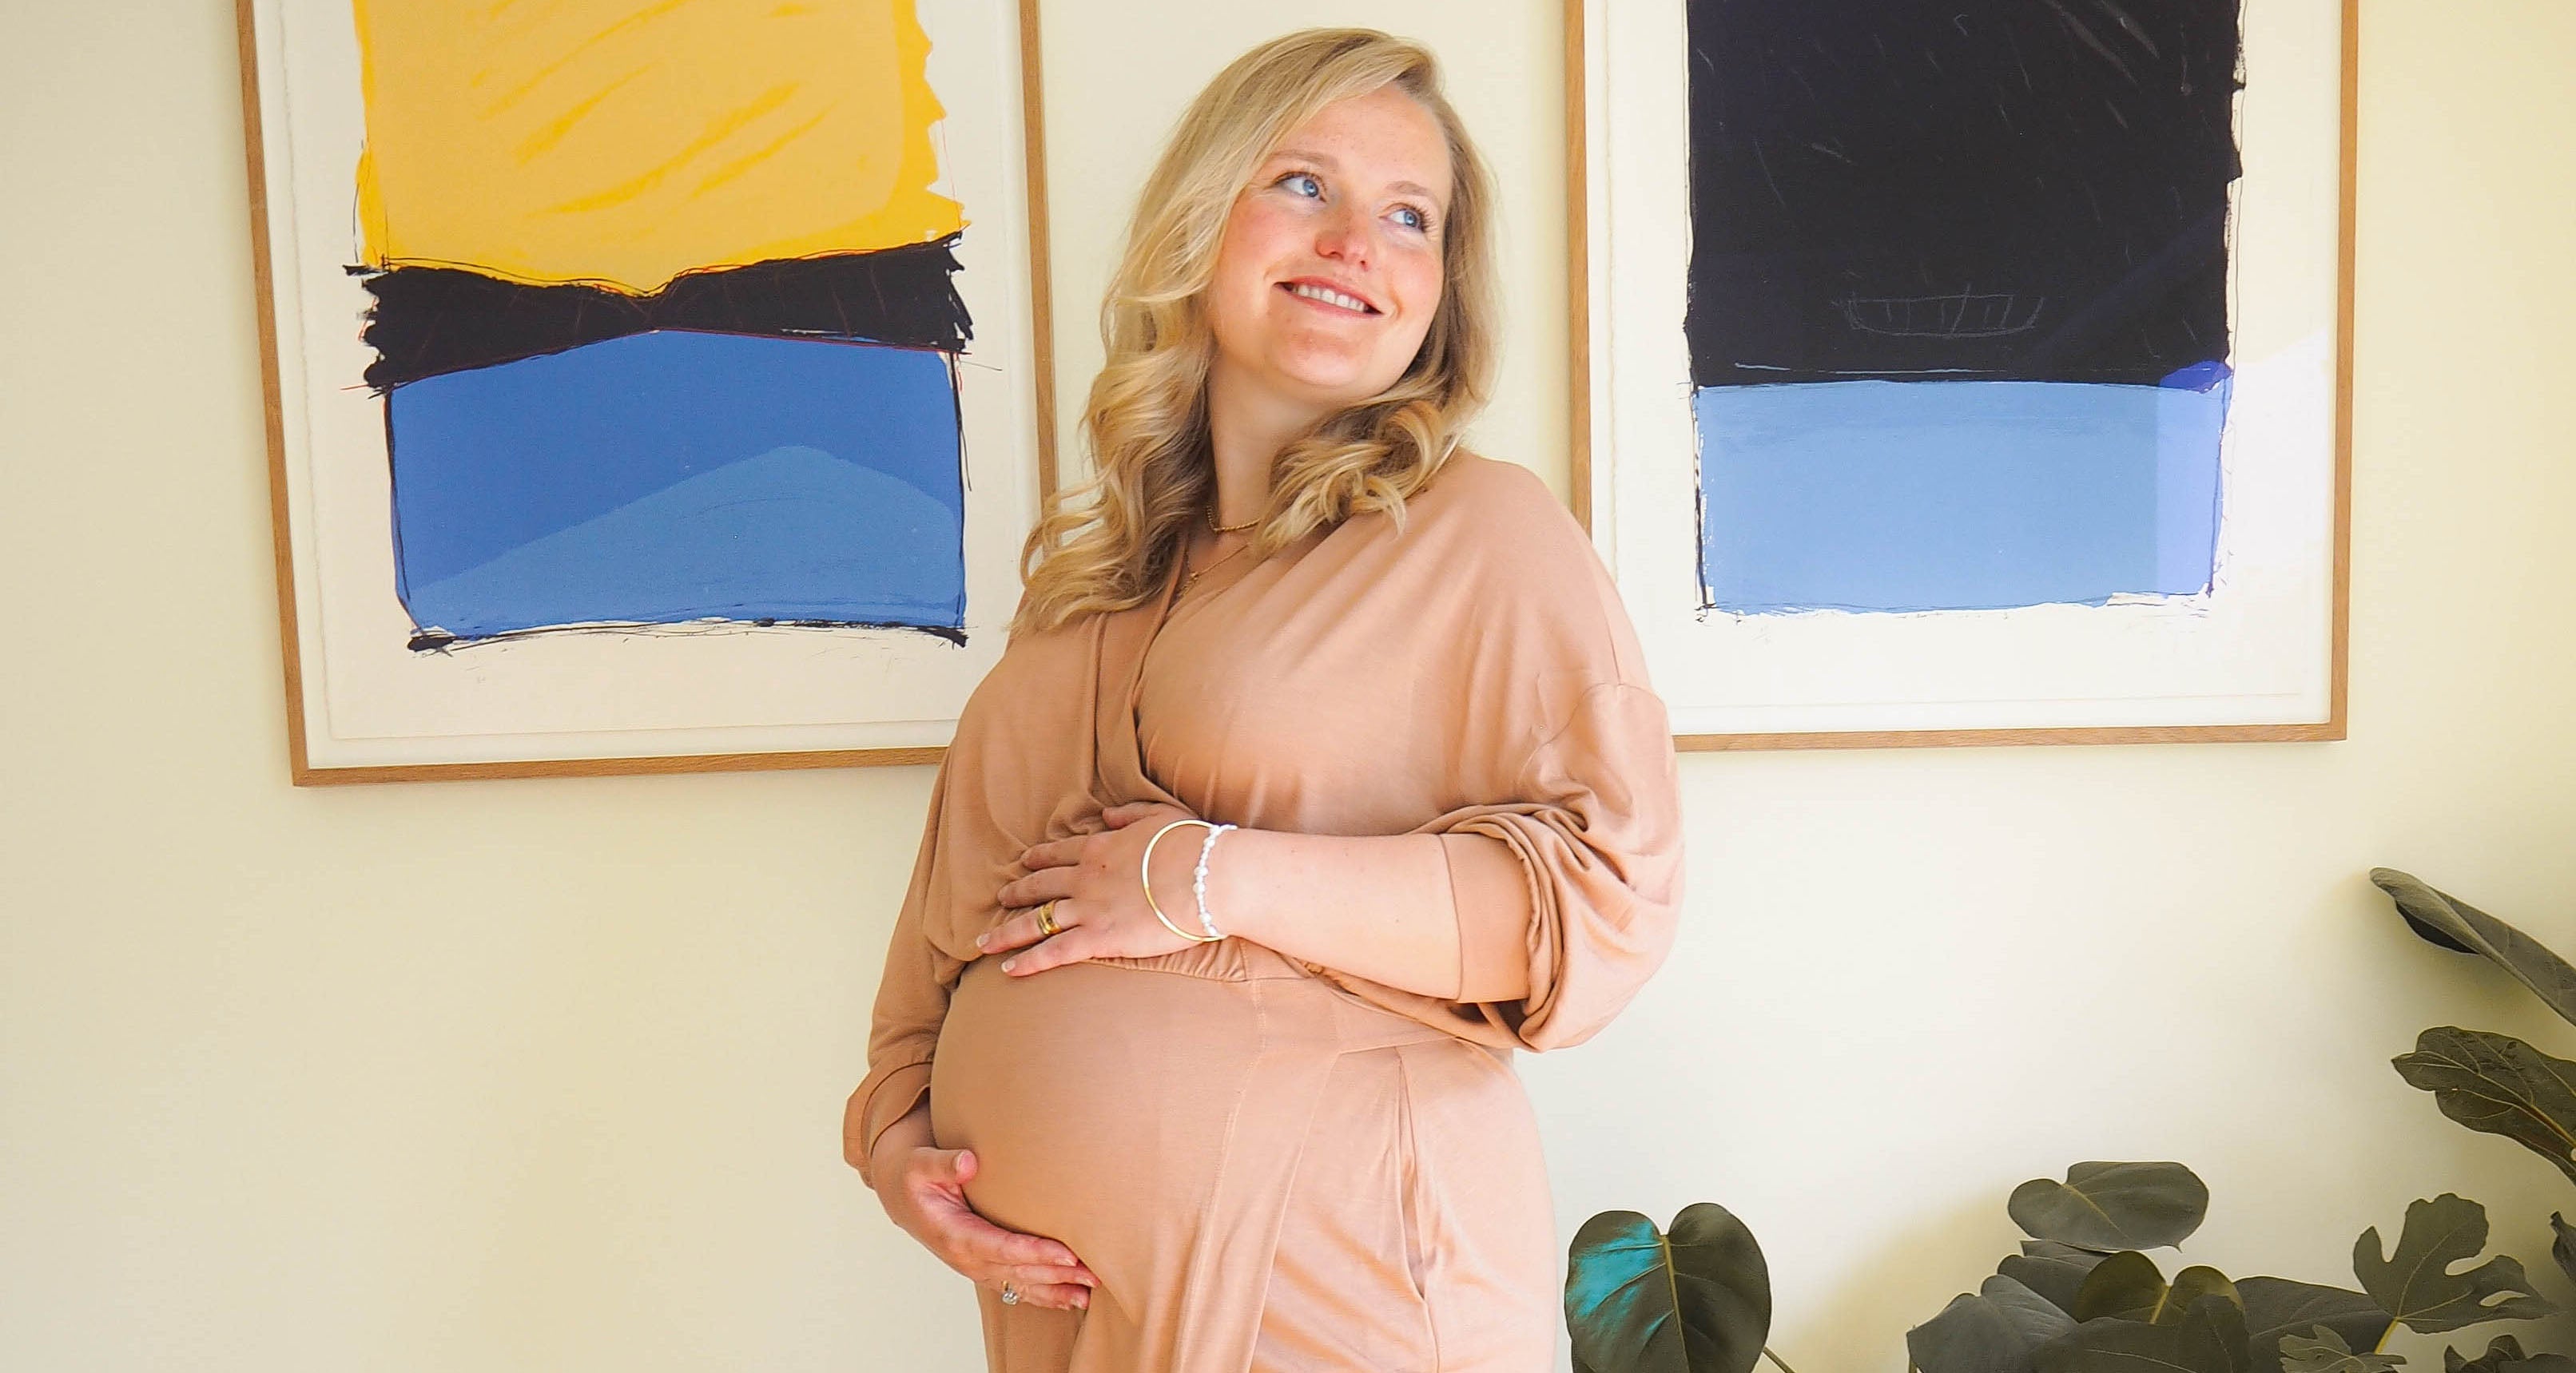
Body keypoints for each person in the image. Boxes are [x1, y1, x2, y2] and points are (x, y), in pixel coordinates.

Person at [843, 28, 1684, 1373]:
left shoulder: (1478, 534)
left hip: (1343, 1282)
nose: (1359, 240)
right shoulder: (1087, 587)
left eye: (1409, 216)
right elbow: (947, 928)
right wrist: (894, 1145)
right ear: (1203, 217)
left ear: (1438, 292)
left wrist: (1210, 877)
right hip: (1061, 1313)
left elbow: (1597, 909)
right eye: (1306, 184)